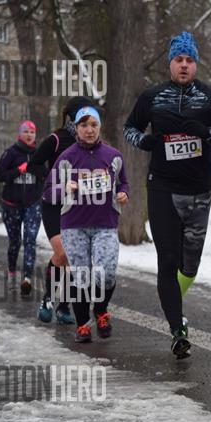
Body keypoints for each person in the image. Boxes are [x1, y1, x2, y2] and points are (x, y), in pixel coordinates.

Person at [124, 31, 211, 358]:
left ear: (196, 64)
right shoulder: (152, 97)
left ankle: (174, 301)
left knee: (190, 265)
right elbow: (129, 128)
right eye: (178, 59)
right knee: (167, 260)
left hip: (199, 191)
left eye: (189, 60)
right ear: (170, 63)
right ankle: (177, 329)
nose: (184, 65)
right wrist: (145, 141)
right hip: (162, 188)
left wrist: (207, 133)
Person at [47, 106, 128, 343]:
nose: (89, 130)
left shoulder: (114, 156)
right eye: (84, 125)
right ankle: (82, 325)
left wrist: (123, 193)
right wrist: (64, 188)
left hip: (106, 225)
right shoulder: (66, 158)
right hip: (74, 226)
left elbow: (123, 182)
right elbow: (48, 192)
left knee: (107, 274)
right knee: (80, 277)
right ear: (76, 128)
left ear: (99, 126)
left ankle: (101, 310)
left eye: (93, 125)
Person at [29, 96, 95, 324]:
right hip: (54, 204)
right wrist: (52, 180)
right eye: (83, 116)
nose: (88, 121)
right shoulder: (56, 139)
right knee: (63, 253)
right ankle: (47, 299)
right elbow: (33, 164)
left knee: (72, 256)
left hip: (78, 206)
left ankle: (64, 305)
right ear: (72, 117)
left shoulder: (92, 143)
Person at [0, 120, 45, 295]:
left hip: (33, 204)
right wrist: (19, 170)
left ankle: (27, 279)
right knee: (15, 242)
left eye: (32, 132)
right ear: (20, 134)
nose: (29, 135)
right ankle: (11, 272)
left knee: (30, 239)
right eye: (26, 132)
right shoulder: (11, 153)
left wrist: (34, 169)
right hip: (11, 205)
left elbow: (46, 174)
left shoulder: (39, 154)